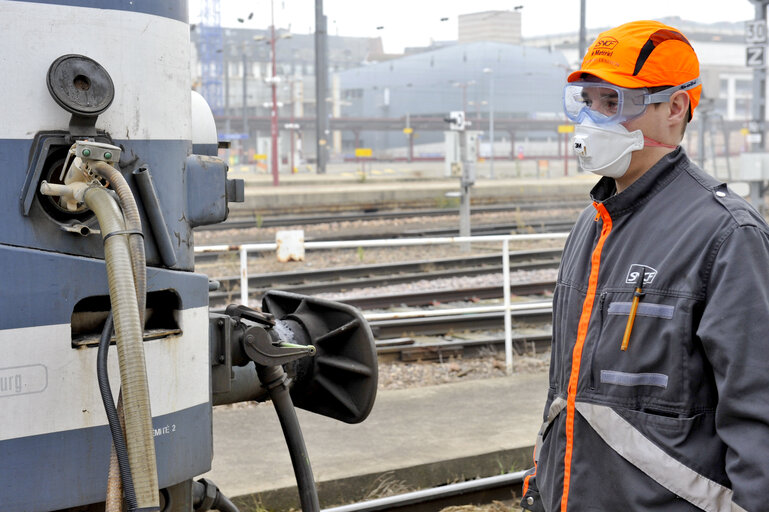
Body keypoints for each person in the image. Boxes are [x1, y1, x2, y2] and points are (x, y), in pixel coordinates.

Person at [521, 20, 769, 512]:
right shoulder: (592, 225)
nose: (594, 119)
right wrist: (541, 483)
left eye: (614, 102)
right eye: (588, 101)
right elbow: (567, 394)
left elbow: (757, 412)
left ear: (675, 107)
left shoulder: (726, 235)